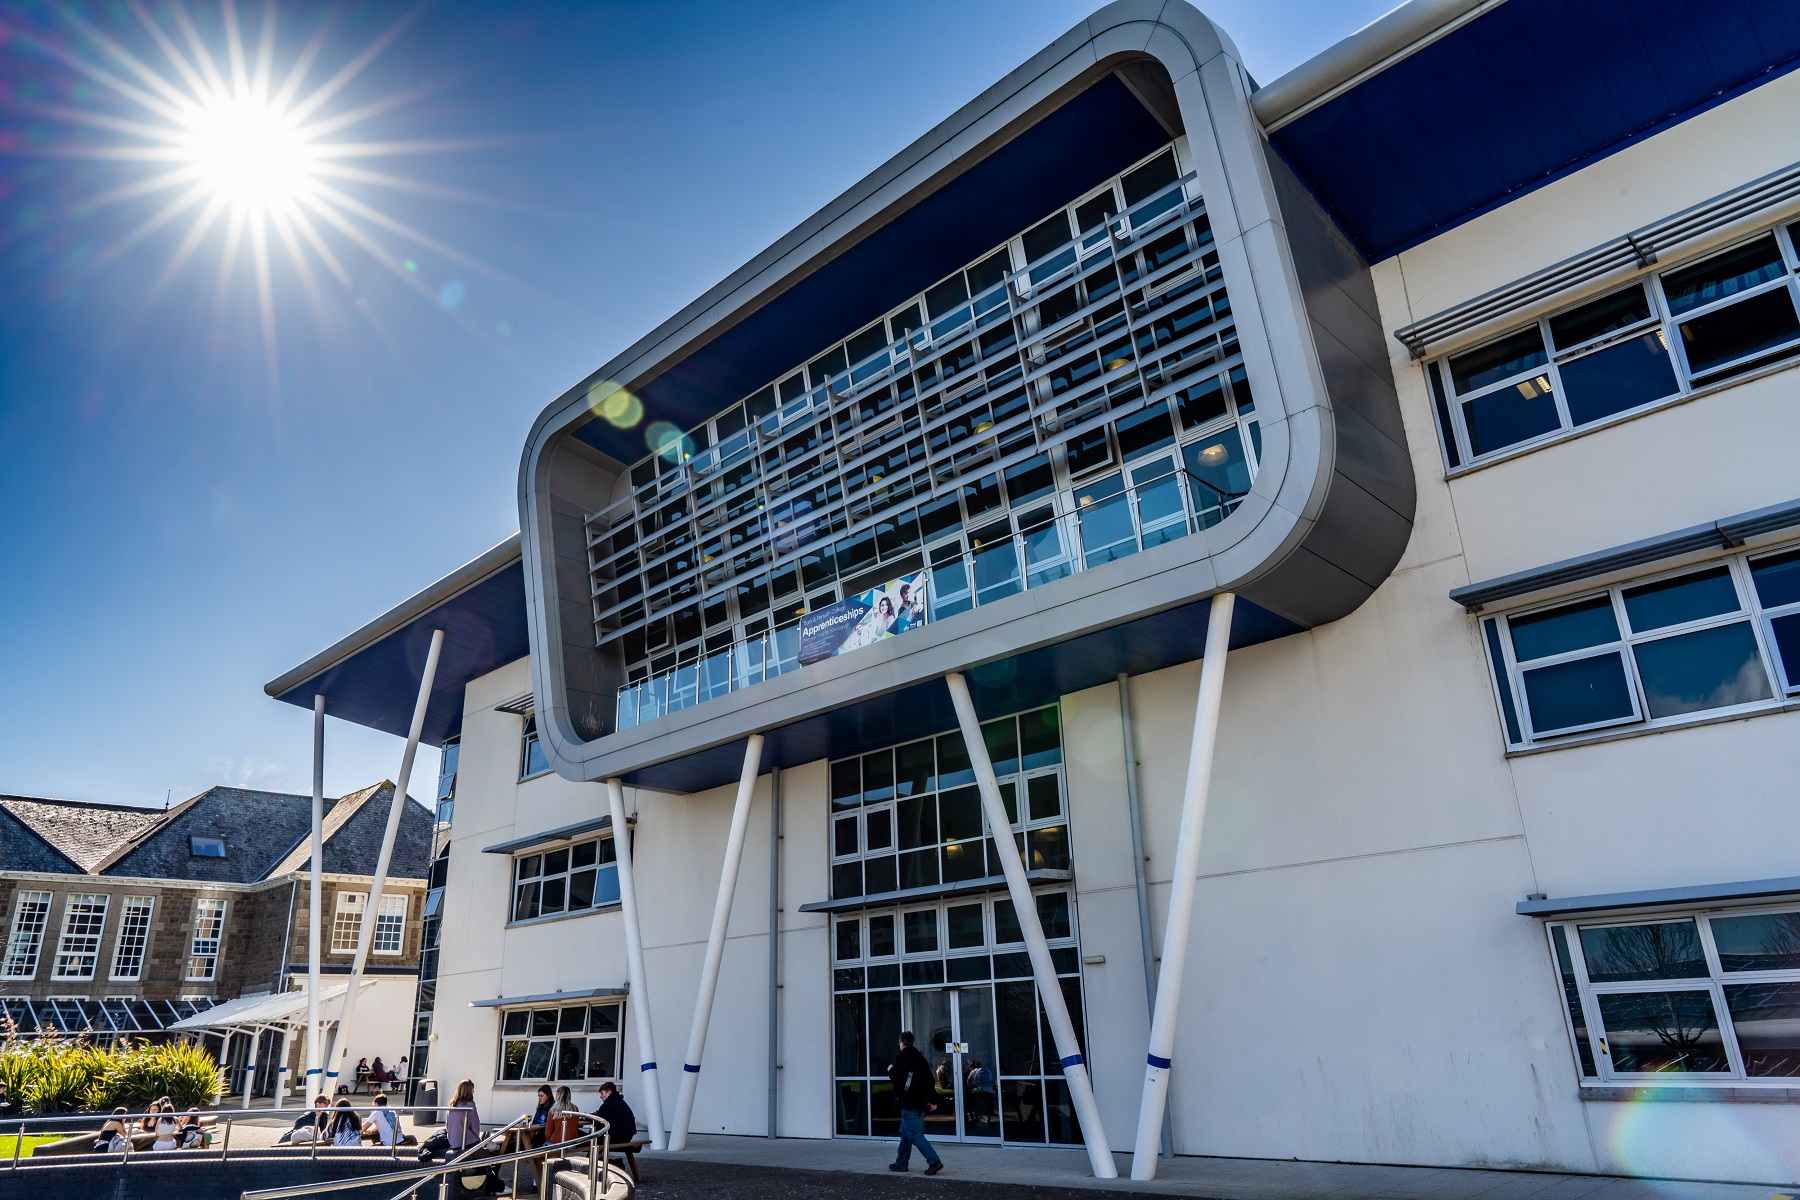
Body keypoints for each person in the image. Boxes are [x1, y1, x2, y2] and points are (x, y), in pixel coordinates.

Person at [885, 1031, 943, 1175]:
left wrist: (890, 1069)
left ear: (902, 1043)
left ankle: (934, 1161)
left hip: (907, 1102)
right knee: (905, 1132)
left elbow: (896, 1076)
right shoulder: (919, 1057)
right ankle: (901, 1163)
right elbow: (929, 1080)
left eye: (899, 1042)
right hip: (918, 1103)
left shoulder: (901, 1057)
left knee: (913, 1133)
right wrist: (932, 1100)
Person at [419, 1078, 481, 1162]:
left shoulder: (452, 1106)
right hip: (467, 1142)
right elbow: (475, 1128)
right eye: (473, 1090)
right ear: (470, 1091)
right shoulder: (470, 1107)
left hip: (453, 1142)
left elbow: (447, 1125)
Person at [593, 1080, 636, 1144]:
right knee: (598, 1131)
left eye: (602, 1093)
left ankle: (594, 1152)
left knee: (594, 1134)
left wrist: (585, 1117)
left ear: (609, 1093)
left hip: (619, 1137)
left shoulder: (610, 1103)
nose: (600, 1096)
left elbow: (599, 1117)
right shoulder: (618, 1101)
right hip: (626, 1135)